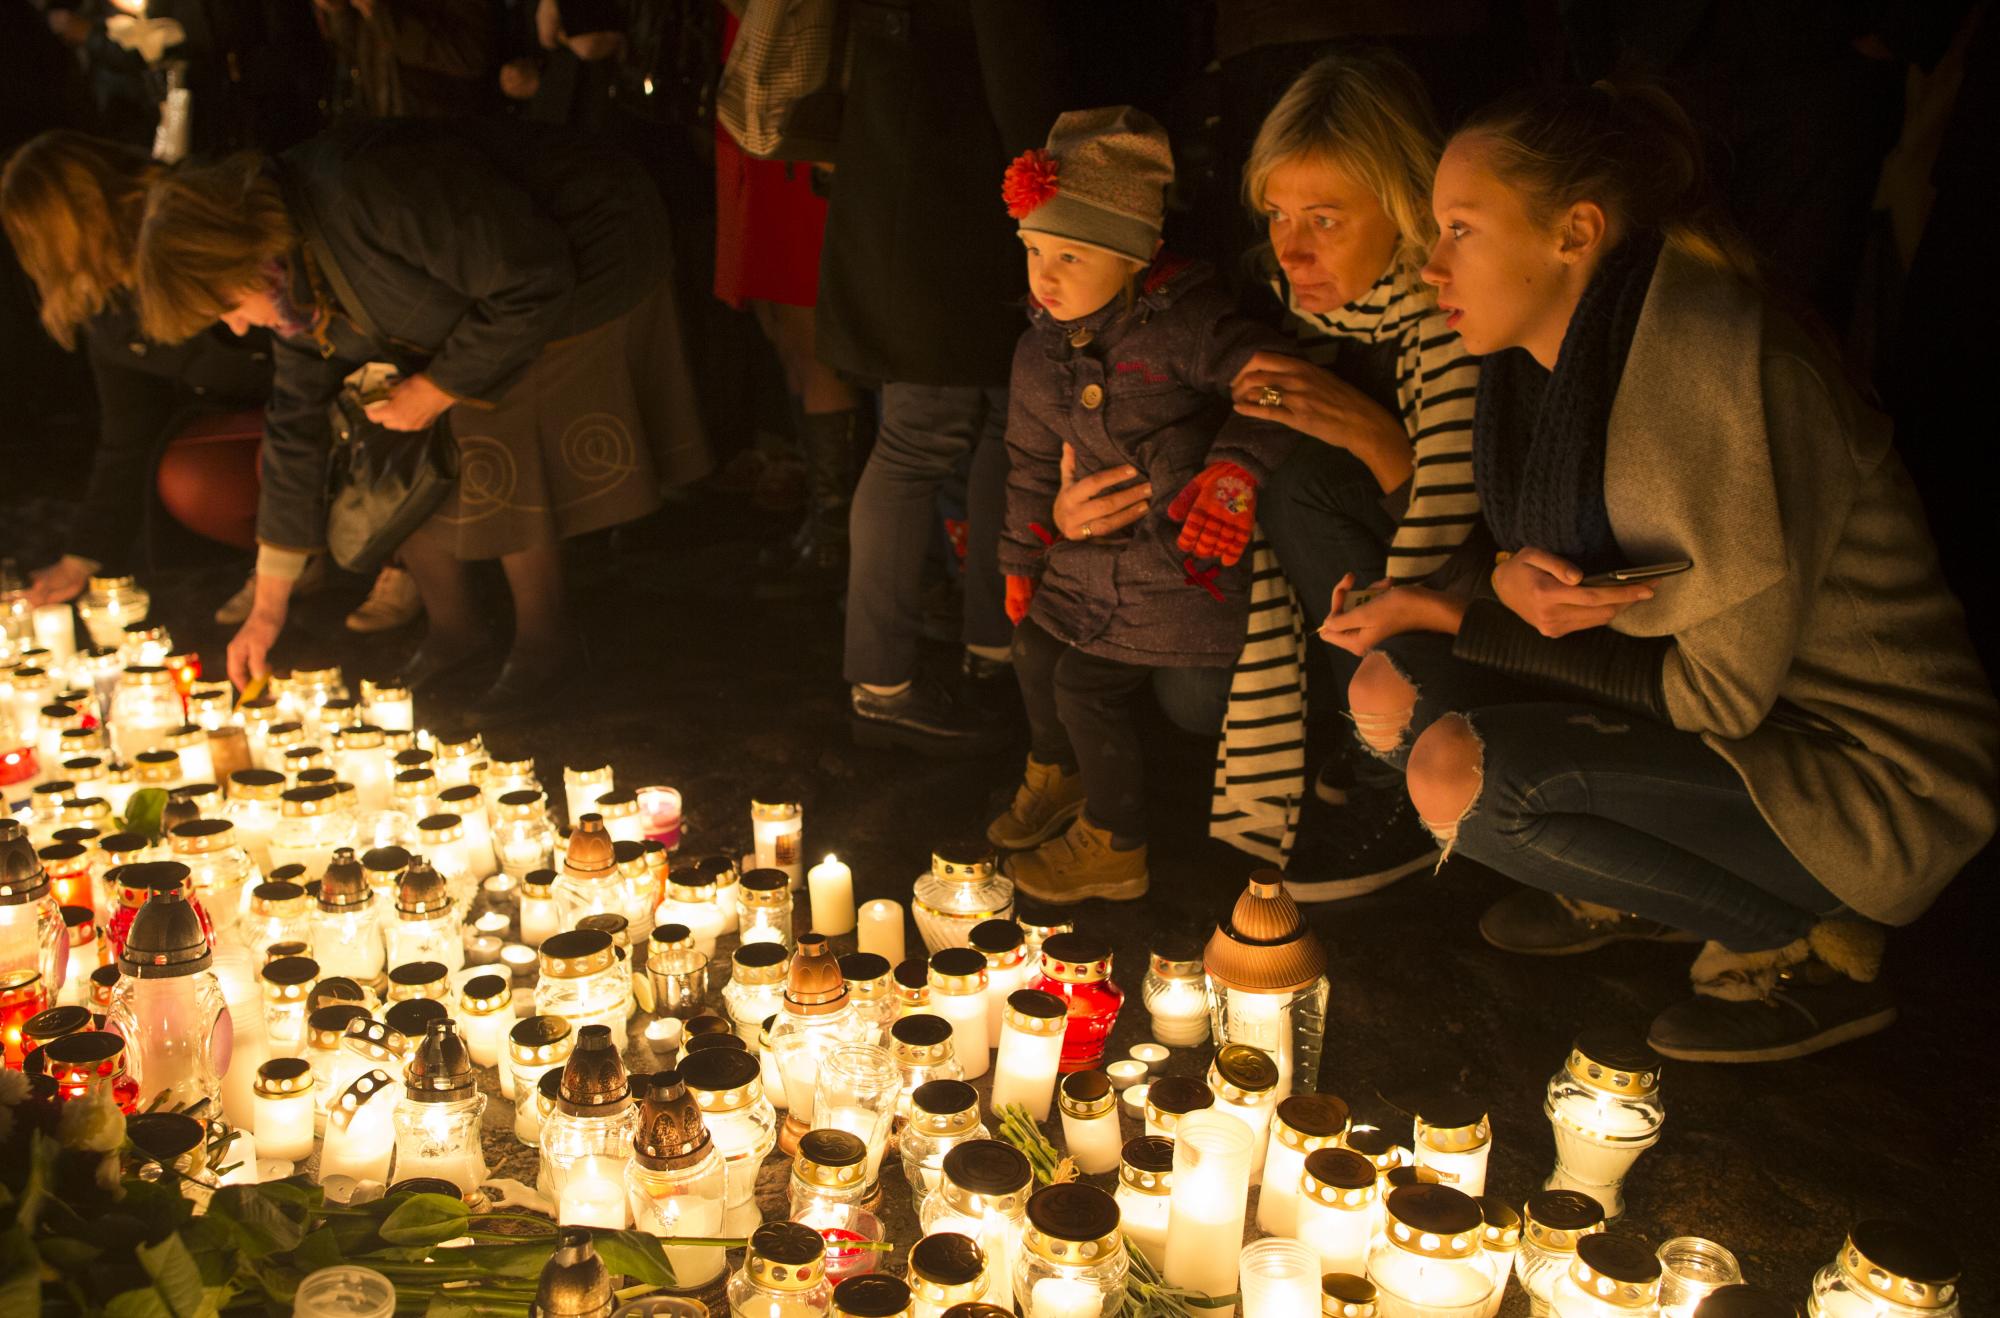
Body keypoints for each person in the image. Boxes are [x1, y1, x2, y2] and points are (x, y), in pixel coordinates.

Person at [1328, 82, 1996, 1061]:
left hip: (1863, 775)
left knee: (1458, 777)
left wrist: (1460, 612)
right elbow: (1548, 575)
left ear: (1574, 232)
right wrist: (1482, 592)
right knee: (1385, 687)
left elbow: (1710, 694)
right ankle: (1650, 884)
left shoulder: (1712, 378)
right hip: (1728, 720)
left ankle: (1801, 943)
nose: (1429, 266)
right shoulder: (1551, 366)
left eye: (1460, 229)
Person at [133, 117, 710, 720]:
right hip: (490, 300)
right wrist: (269, 605)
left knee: (487, 415)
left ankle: (546, 643)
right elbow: (295, 421)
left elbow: (530, 280)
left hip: (588, 251)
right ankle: (455, 632)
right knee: (385, 432)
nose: (239, 326)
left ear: (239, 249)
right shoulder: (289, 275)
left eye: (227, 305)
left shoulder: (368, 196)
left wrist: (438, 387)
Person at [991, 107, 1299, 904]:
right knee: (1031, 649)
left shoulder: (1186, 328)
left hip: (1176, 568)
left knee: (1085, 687)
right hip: (1088, 563)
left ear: (1134, 256)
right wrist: (1021, 559)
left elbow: (1272, 379)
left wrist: (1233, 471)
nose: (1044, 276)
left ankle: (1115, 844)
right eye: (1033, 251)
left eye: (1070, 254)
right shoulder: (1039, 352)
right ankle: (1059, 776)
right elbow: (1027, 463)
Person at [1223, 50, 1484, 900]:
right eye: (1277, 215)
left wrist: (1378, 442)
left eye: (1326, 219)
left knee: (1309, 483)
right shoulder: (1304, 305)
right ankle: (1369, 731)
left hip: (1496, 602)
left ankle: (1406, 774)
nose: (1292, 251)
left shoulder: (1454, 320)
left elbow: (1477, 537)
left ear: (1408, 211)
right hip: (1363, 581)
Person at [821, 0, 1070, 757]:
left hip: (926, 184)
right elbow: (1014, 55)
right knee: (927, 433)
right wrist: (1054, 166)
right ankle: (887, 680)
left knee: (1001, 417)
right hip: (950, 196)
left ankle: (988, 646)